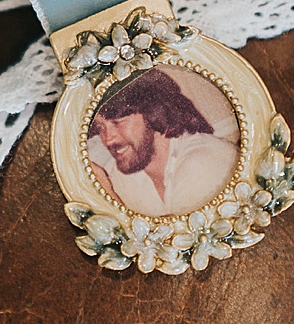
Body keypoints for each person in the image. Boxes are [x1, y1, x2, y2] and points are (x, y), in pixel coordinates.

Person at [87, 66, 240, 216]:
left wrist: (109, 195)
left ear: (153, 113)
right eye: (100, 127)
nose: (107, 139)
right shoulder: (122, 175)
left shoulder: (203, 161)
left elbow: (179, 238)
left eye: (117, 122)